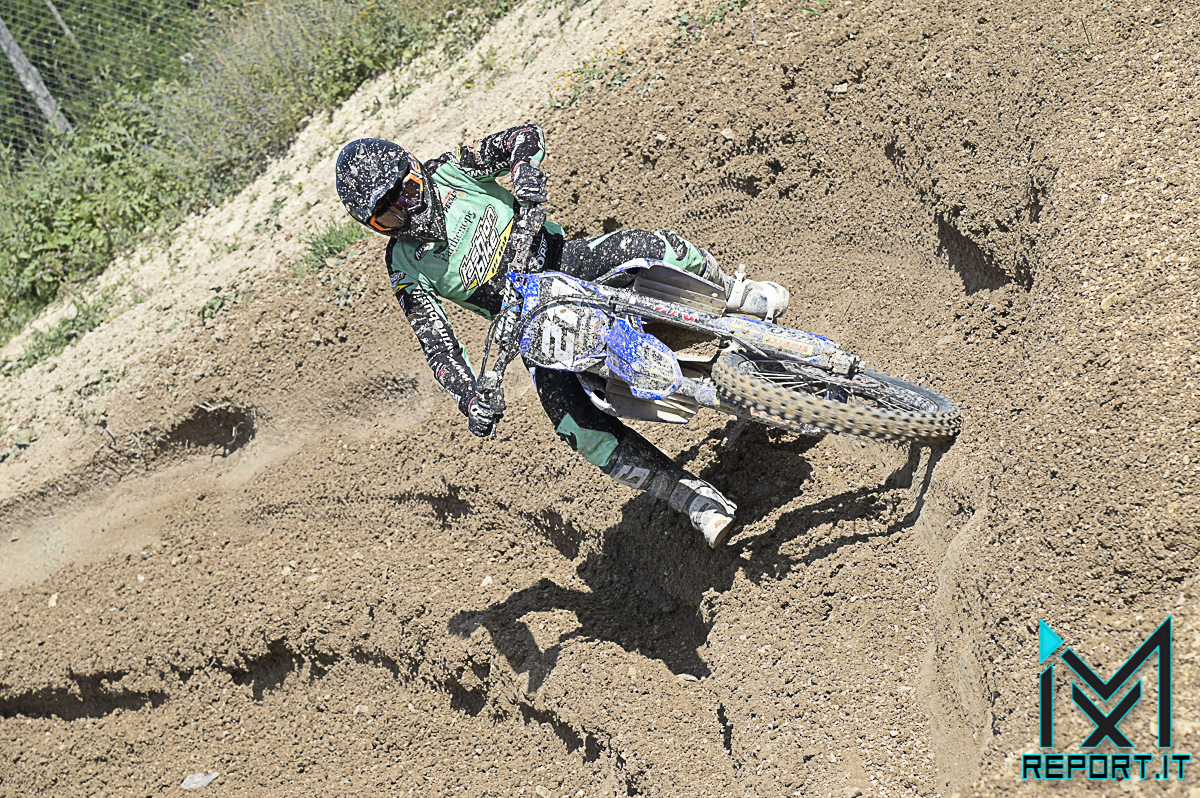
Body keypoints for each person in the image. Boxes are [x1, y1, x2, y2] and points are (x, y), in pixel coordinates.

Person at [334, 125, 789, 547]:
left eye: (408, 192)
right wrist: (470, 398)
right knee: (577, 428)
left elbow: (523, 136)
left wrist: (524, 174)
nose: (405, 212)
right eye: (386, 216)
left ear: (417, 171)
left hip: (564, 262)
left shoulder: (453, 169)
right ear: (374, 226)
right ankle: (689, 497)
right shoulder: (404, 265)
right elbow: (436, 343)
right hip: (527, 325)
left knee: (649, 247)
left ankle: (734, 293)